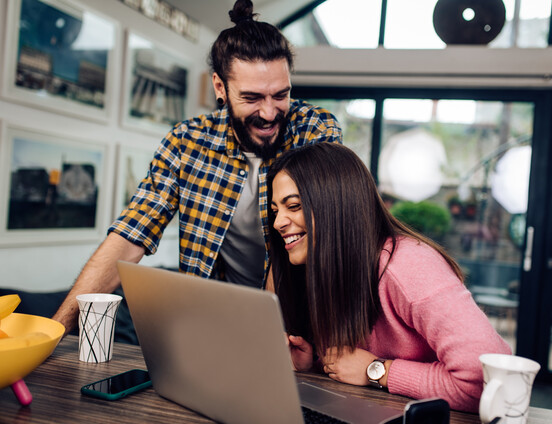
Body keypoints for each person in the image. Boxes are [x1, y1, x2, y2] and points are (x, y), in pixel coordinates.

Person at [52, 0, 341, 335]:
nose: (269, 112)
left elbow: (322, 228)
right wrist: (55, 333)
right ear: (220, 87)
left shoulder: (315, 130)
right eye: (251, 98)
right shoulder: (186, 142)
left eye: (280, 95)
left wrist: (265, 333)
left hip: (302, 329)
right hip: (213, 325)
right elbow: (130, 234)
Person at [266, 143, 511, 413]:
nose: (278, 222)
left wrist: (378, 371)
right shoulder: (324, 267)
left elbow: (492, 380)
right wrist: (312, 362)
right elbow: (350, 363)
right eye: (276, 210)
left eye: (294, 206)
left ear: (335, 206)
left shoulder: (408, 265)